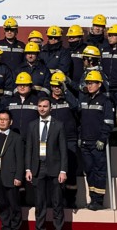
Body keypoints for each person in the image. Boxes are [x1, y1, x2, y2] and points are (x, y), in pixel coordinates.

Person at [25, 97, 68, 230]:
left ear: (51, 108)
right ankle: (40, 228)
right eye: (40, 106)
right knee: (39, 203)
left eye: (45, 106)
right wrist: (28, 169)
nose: (42, 109)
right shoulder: (32, 125)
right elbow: (29, 149)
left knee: (57, 203)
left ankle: (58, 228)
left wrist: (63, 170)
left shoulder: (59, 125)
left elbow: (63, 149)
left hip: (55, 169)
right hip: (38, 168)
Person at [79, 69, 114, 211]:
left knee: (99, 170)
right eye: (88, 83)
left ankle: (98, 200)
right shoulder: (84, 100)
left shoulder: (105, 101)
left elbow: (109, 122)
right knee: (89, 170)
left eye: (92, 83)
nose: (90, 85)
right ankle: (92, 197)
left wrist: (102, 139)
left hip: (97, 143)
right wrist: (81, 137)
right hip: (85, 142)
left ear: (99, 84)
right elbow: (81, 121)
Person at [0, 110, 24, 230]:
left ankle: (15, 227)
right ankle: (5, 226)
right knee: (1, 205)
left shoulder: (16, 138)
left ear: (10, 122)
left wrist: (18, 176)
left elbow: (20, 159)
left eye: (5, 119)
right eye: (0, 119)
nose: (2, 121)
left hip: (11, 177)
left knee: (14, 206)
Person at [47, 71, 80, 207]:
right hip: (52, 141)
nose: (57, 88)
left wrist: (67, 92)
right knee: (52, 171)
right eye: (54, 86)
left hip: (69, 139)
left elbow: (77, 107)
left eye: (59, 86)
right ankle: (54, 201)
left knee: (70, 171)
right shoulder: (47, 101)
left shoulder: (69, 99)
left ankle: (70, 201)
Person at [5, 72, 44, 138]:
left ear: (30, 86)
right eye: (20, 85)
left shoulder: (37, 101)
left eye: (25, 85)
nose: (22, 87)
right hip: (13, 138)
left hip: (32, 138)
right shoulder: (9, 101)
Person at [65, 25, 87, 91]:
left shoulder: (86, 49)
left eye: (74, 37)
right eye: (70, 37)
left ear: (80, 37)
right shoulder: (66, 51)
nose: (71, 39)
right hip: (69, 84)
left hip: (83, 84)